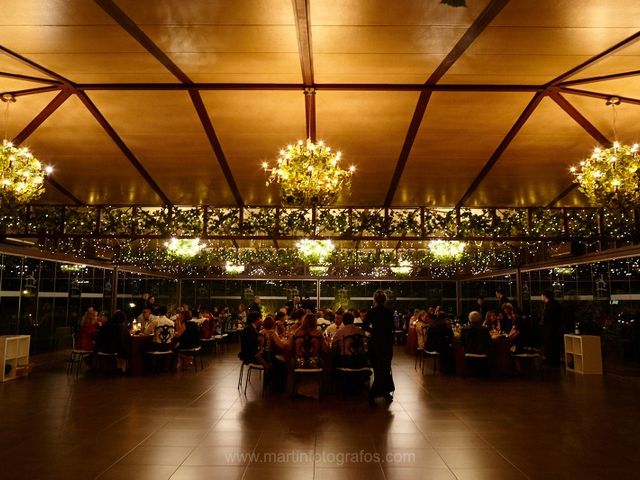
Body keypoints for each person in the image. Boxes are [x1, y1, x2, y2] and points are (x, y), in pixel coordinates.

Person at [364, 290, 395, 406]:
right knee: (386, 368)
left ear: (375, 300)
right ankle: (385, 393)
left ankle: (373, 394)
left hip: (375, 343)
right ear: (385, 299)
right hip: (386, 343)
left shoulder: (372, 312)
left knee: (377, 369)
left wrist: (375, 331)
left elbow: (365, 326)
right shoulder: (389, 312)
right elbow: (392, 327)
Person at [541, 289, 563, 366]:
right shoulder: (556, 303)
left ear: (545, 296)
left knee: (550, 345)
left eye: (542, 295)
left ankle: (550, 361)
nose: (541, 297)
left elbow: (547, 317)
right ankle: (554, 360)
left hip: (550, 329)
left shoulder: (549, 305)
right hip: (555, 328)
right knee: (554, 345)